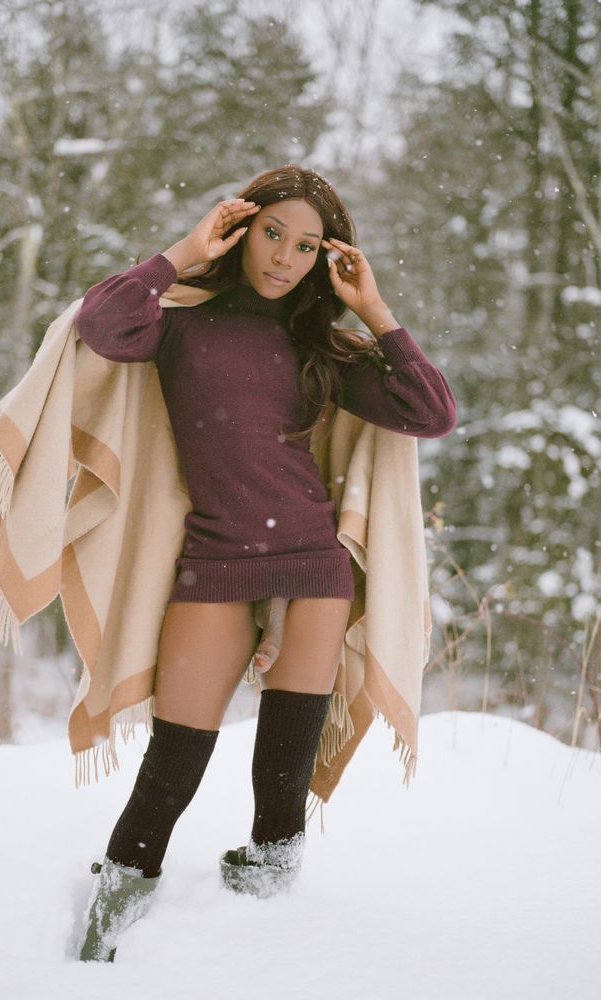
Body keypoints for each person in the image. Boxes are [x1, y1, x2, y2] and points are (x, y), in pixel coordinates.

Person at [73, 164, 456, 961]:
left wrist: (374, 310)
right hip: (216, 559)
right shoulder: (180, 324)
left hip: (312, 563)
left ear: (325, 258)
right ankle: (110, 917)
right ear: (241, 232)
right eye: (272, 235)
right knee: (172, 762)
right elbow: (100, 324)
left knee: (282, 782)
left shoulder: (319, 344)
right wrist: (184, 253)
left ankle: (268, 929)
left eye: (306, 245)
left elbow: (431, 412)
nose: (284, 257)